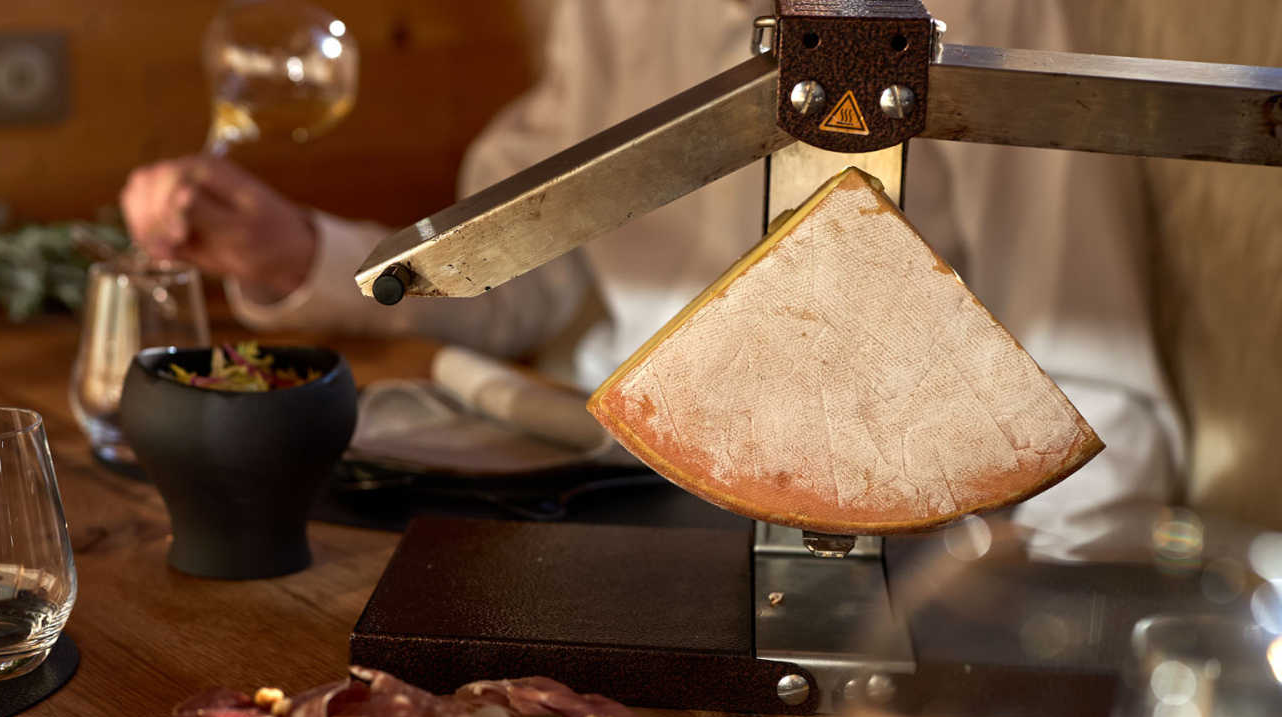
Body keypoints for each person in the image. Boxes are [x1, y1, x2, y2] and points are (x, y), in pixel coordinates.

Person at [120, 0, 1182, 561]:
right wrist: (294, 253)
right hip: (595, 500)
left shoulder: (1008, 8)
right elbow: (526, 268)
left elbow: (1094, 397)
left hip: (897, 545)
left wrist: (1036, 643)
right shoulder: (615, 8)